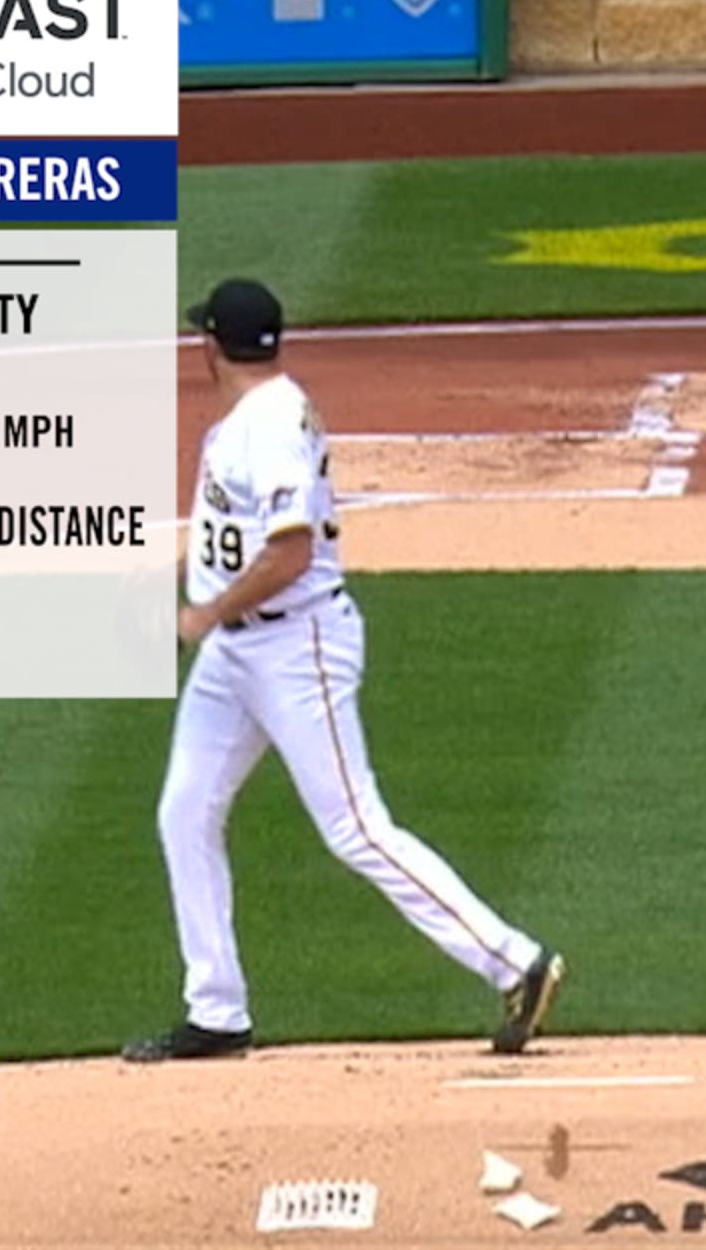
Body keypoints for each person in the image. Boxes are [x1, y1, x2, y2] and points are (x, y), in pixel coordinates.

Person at [126, 278, 566, 1063]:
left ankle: (515, 962)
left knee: (356, 827)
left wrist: (204, 613)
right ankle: (216, 1011)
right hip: (237, 654)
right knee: (185, 811)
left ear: (211, 346)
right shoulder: (255, 417)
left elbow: (291, 552)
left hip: (297, 648)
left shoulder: (269, 427)